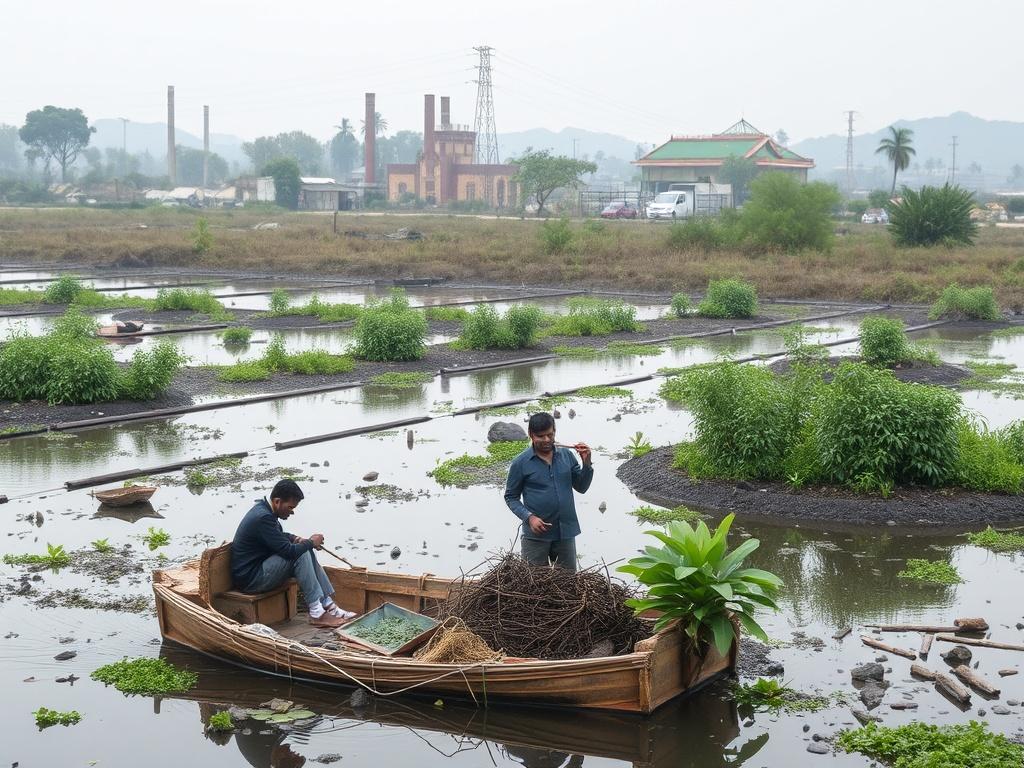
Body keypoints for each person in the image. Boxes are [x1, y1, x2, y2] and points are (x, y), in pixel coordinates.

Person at [230, 479, 355, 628]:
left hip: (260, 569)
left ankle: (328, 605)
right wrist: (310, 542)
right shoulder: (263, 517)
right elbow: (288, 552)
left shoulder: (265, 511)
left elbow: (275, 536)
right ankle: (316, 612)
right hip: (251, 580)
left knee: (302, 548)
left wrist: (295, 538)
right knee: (299, 553)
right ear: (277, 502)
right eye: (290, 507)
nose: (292, 512)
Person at [504, 412, 593, 571]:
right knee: (533, 584)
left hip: (565, 533)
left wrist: (586, 463)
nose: (546, 440)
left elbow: (582, 487)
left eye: (550, 435)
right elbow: (511, 497)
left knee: (568, 584)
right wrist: (529, 518)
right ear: (531, 435)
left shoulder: (566, 456)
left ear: (555, 431)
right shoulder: (520, 463)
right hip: (536, 536)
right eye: (541, 436)